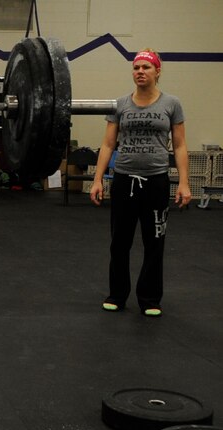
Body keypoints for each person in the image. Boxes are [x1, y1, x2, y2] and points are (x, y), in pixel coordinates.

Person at [89, 48, 190, 317]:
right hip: (123, 181)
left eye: (146, 68)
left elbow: (179, 146)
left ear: (158, 71)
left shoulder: (171, 104)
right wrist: (98, 179)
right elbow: (108, 144)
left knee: (154, 242)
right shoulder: (120, 104)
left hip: (156, 181)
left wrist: (183, 182)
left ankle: (150, 298)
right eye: (136, 68)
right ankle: (117, 295)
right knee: (119, 242)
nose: (140, 72)